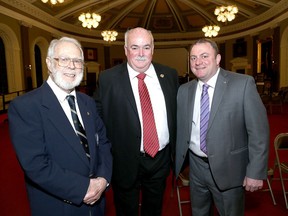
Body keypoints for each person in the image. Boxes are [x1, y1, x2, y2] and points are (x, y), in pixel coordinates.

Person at [8, 37, 112, 216]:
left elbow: (103, 143)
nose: (72, 66)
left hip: (97, 205)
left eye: (77, 61)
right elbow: (36, 165)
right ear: (49, 63)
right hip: (59, 207)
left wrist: (103, 179)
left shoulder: (87, 102)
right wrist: (83, 188)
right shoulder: (25, 106)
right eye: (63, 59)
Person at [175, 38, 269, 216]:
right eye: (193, 58)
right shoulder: (184, 90)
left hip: (230, 169)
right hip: (195, 167)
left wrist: (255, 171)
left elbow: (259, 132)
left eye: (204, 56)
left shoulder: (242, 84)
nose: (198, 62)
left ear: (218, 59)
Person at [95, 27, 179, 216]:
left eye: (146, 47)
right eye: (135, 47)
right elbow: (98, 118)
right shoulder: (108, 79)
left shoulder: (170, 75)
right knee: (126, 211)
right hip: (124, 161)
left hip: (160, 159)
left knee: (154, 209)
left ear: (153, 48)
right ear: (125, 50)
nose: (141, 54)